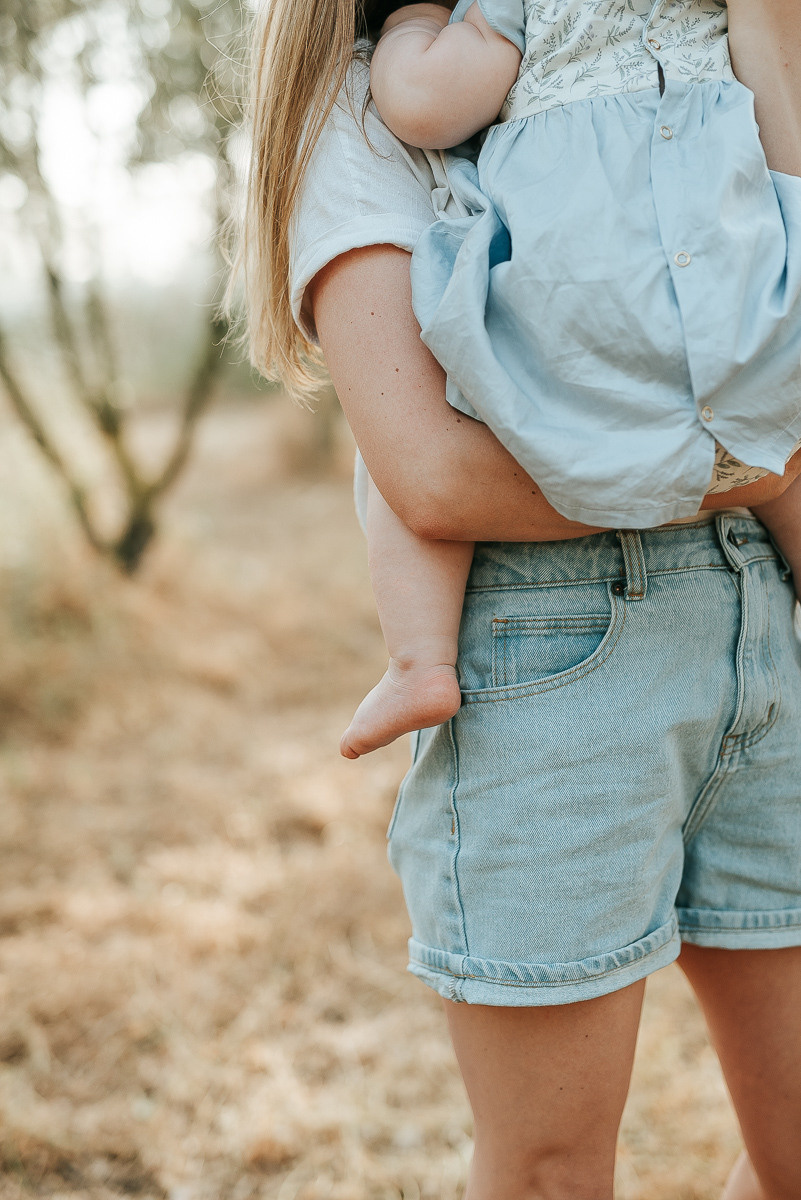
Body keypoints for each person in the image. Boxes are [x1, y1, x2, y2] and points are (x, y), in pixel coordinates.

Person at [234, 0, 801, 1195]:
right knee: (549, 1167)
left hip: (765, 612)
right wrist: (753, 463)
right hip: (553, 648)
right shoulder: (366, 100)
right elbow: (433, 475)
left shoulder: (691, 35)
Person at [338, 0, 801, 759]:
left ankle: (419, 660)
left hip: (583, 305)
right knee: (770, 417)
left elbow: (424, 104)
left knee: (456, 388)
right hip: (736, 294)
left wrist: (409, 26)